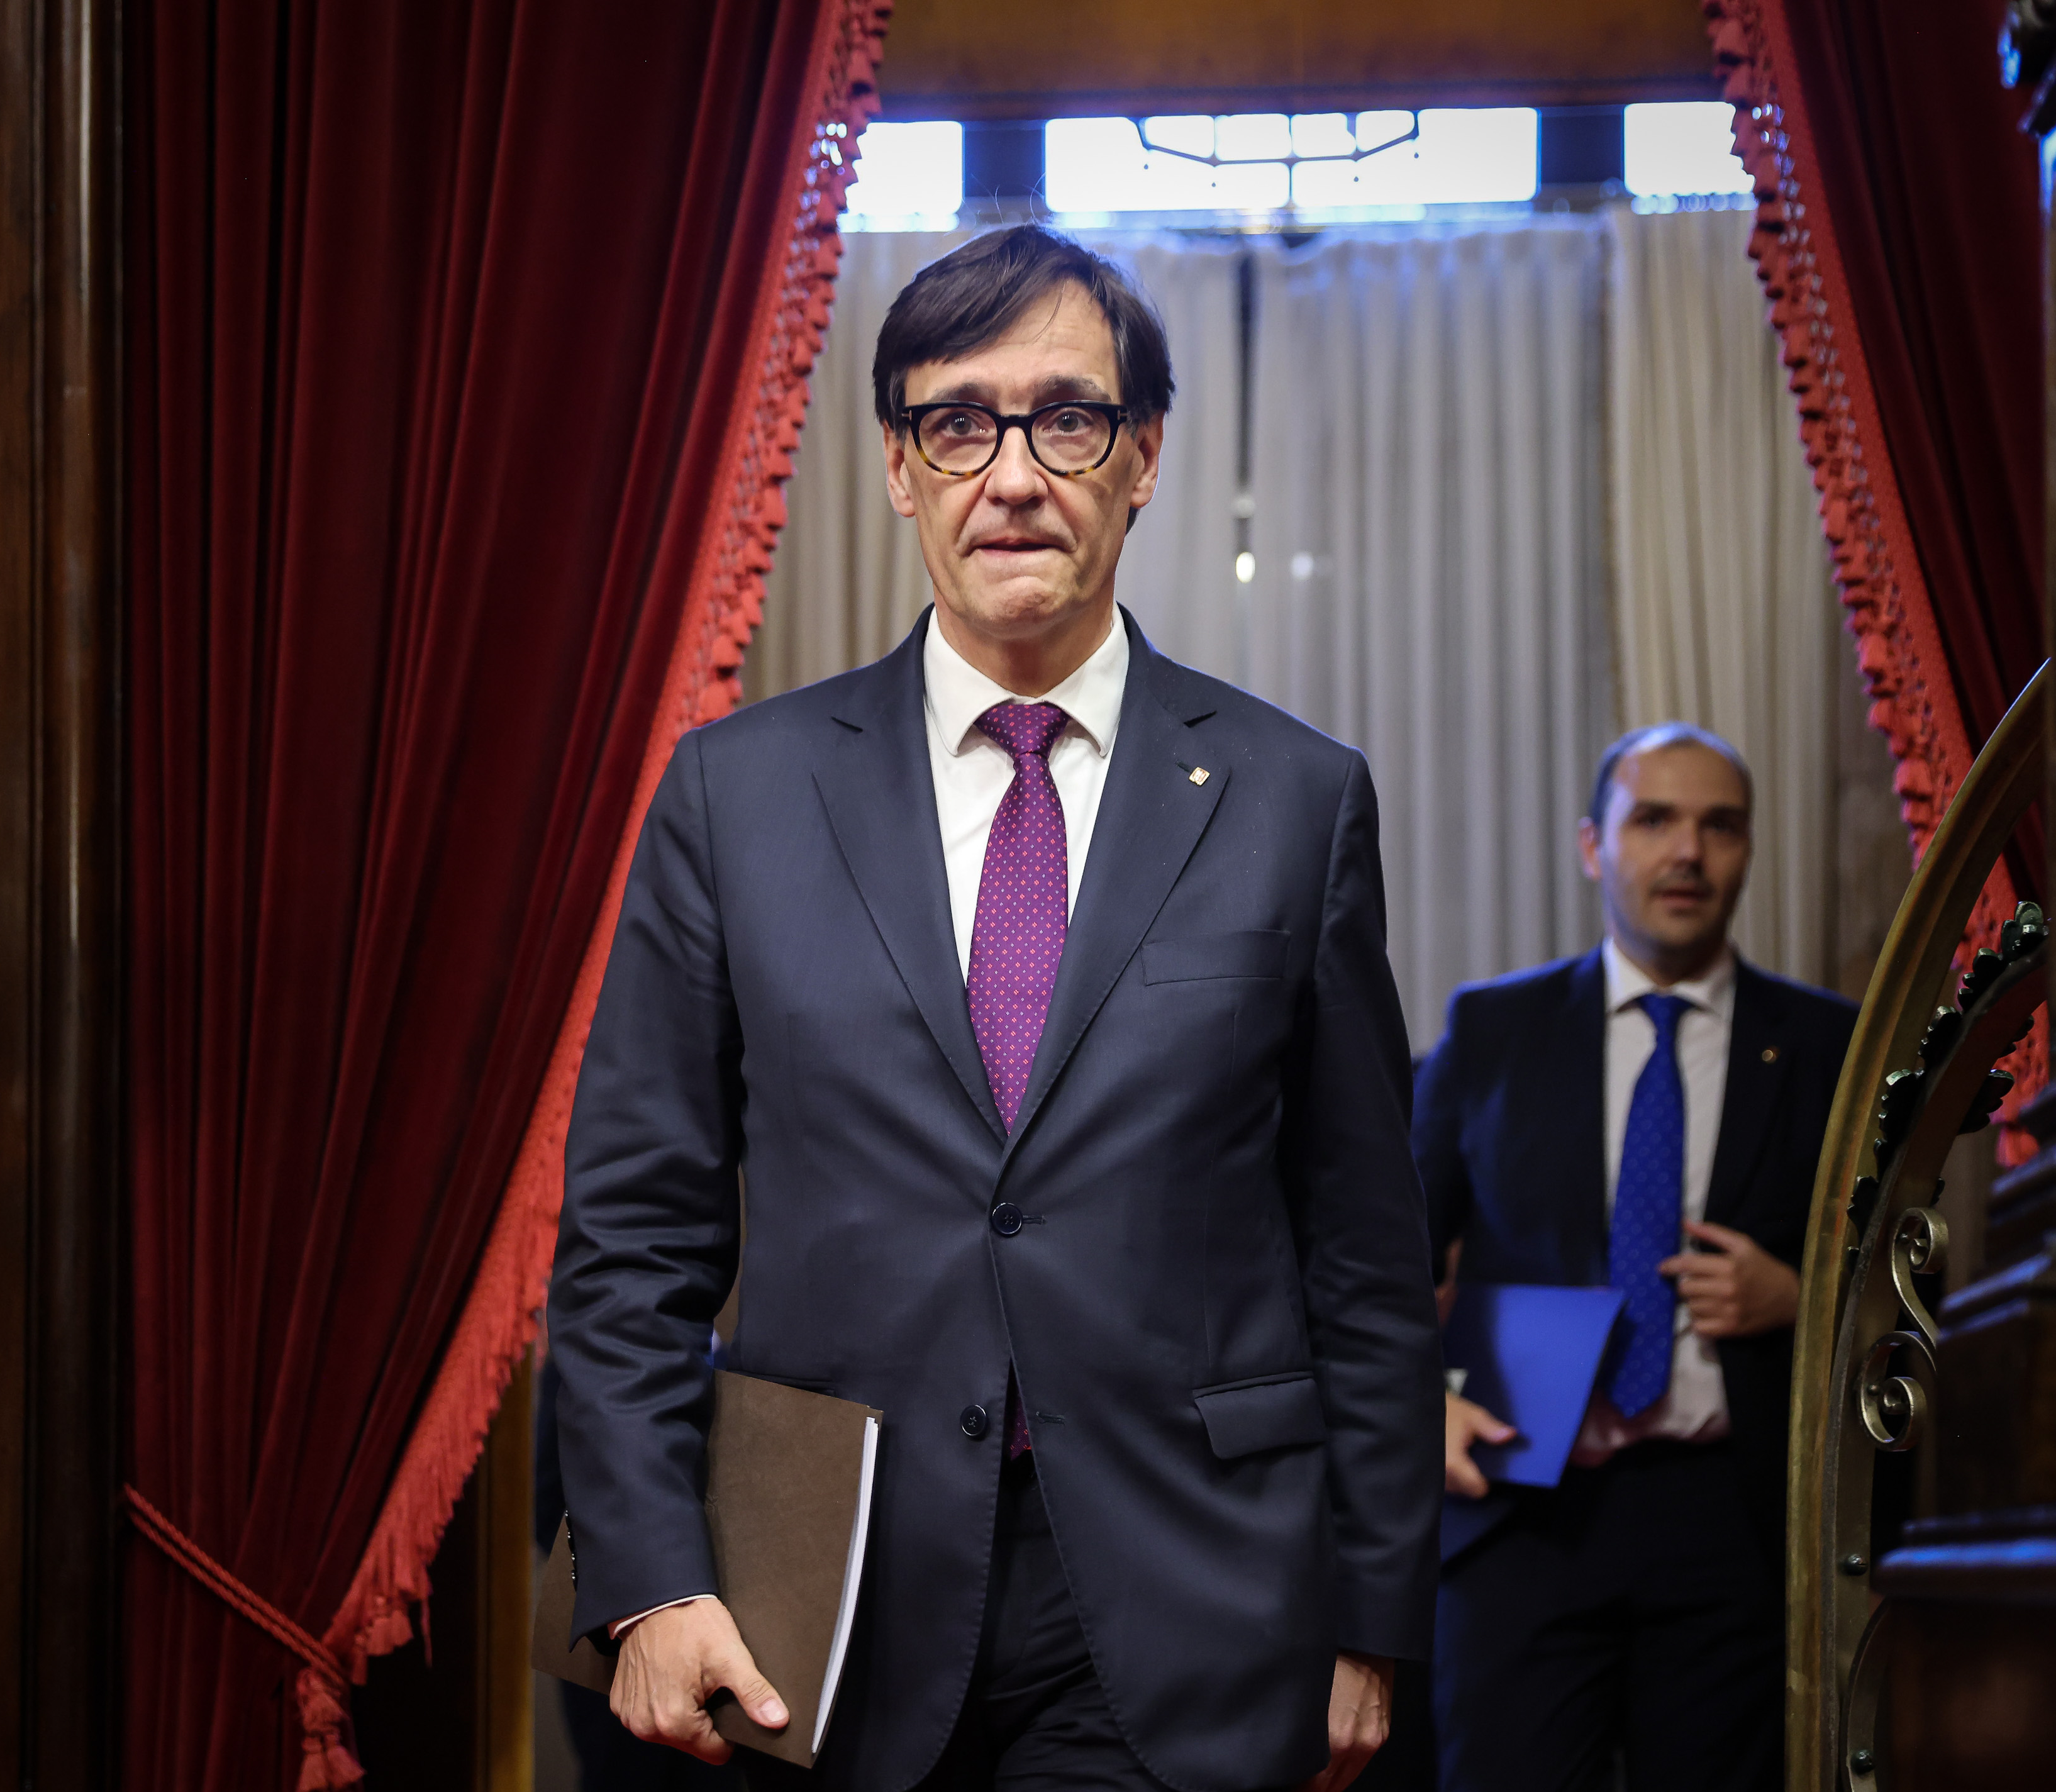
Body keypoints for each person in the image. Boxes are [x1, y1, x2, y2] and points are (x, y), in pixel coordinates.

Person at [548, 224, 1440, 1792]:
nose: (1012, 474)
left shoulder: (1300, 801)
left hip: (1191, 1601)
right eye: (960, 421)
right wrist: (650, 1575)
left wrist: (1375, 1612)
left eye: (1068, 418)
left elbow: (1363, 1247)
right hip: (823, 1606)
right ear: (900, 467)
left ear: (1143, 453)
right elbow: (632, 1238)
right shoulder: (735, 796)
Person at [1411, 723, 1857, 1792]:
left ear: (1749, 851)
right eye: (1654, 819)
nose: (1688, 852)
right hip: (1525, 1505)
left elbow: (1914, 1270)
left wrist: (1800, 1296)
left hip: (1734, 1518)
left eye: (1720, 825)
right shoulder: (1494, 1031)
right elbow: (1376, 1257)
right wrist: (1416, 1398)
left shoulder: (1831, 1045)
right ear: (1593, 845)